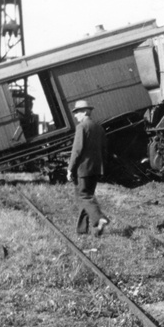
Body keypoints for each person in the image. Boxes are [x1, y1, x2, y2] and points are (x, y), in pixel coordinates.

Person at [67, 100, 109, 236]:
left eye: (77, 112)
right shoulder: (99, 127)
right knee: (87, 197)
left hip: (83, 169)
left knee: (84, 197)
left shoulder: (82, 127)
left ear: (85, 112)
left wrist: (70, 168)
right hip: (95, 169)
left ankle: (99, 219)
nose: (75, 116)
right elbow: (104, 149)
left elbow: (77, 150)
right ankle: (82, 230)